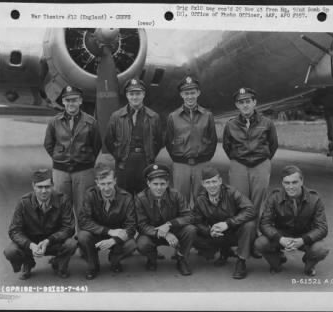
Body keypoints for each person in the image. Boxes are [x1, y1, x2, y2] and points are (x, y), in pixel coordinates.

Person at [222, 87, 278, 255]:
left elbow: (273, 144)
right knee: (240, 203)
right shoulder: (231, 124)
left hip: (260, 164)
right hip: (239, 164)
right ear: (236, 105)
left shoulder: (267, 123)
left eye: (248, 102)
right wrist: (237, 159)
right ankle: (241, 240)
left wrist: (264, 159)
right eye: (241, 102)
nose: (245, 105)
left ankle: (254, 242)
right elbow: (227, 146)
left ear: (254, 103)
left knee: (257, 202)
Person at [254, 165, 329, 276]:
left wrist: (303, 240)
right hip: (282, 235)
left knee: (321, 249)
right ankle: (278, 259)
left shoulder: (315, 199)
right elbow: (264, 223)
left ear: (302, 181)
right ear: (282, 183)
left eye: (294, 182)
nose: (291, 187)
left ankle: (309, 263)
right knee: (260, 243)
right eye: (287, 183)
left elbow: (322, 228)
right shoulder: (274, 197)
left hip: (305, 235)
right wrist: (280, 239)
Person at [3, 169, 77, 280]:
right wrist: (30, 245)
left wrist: (49, 241)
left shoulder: (63, 200)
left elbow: (69, 228)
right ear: (33, 186)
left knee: (71, 243)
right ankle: (27, 262)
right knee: (10, 251)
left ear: (52, 185)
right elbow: (14, 231)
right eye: (40, 187)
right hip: (31, 243)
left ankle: (59, 263)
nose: (43, 191)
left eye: (47, 187)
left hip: (53, 242)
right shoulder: (23, 202)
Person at [44, 85, 102, 219]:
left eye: (74, 100)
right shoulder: (54, 122)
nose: (71, 104)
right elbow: (48, 143)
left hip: (83, 171)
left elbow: (96, 144)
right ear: (63, 102)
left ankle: (82, 237)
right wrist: (59, 158)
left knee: (83, 207)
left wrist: (86, 160)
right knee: (61, 206)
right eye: (68, 100)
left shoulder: (91, 122)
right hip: (61, 171)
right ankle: (64, 238)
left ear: (80, 101)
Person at [193, 166, 257, 279]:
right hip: (217, 234)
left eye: (214, 181)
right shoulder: (200, 199)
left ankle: (241, 261)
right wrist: (209, 231)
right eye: (208, 182)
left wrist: (228, 223)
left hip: (235, 231)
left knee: (250, 225)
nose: (212, 185)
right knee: (191, 232)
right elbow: (196, 222)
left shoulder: (231, 192)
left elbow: (251, 209)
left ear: (220, 181)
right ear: (203, 184)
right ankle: (224, 251)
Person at [105, 78, 163, 195]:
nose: (135, 97)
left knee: (145, 197)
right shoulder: (116, 117)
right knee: (123, 198)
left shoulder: (153, 117)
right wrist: (119, 155)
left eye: (138, 94)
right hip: (124, 163)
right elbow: (109, 140)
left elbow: (159, 141)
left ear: (143, 94)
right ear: (127, 95)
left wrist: (150, 156)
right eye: (131, 94)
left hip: (145, 161)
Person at [135, 164, 196, 276]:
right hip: (152, 233)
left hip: (174, 231)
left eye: (162, 184)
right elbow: (141, 225)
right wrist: (164, 234)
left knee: (190, 230)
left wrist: (169, 224)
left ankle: (181, 259)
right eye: (155, 184)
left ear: (167, 183)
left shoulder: (176, 194)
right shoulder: (140, 198)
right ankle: (152, 258)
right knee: (142, 243)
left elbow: (189, 216)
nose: (159, 188)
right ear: (148, 184)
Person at [77, 165, 137, 280]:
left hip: (117, 236)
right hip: (97, 234)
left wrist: (114, 240)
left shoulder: (126, 197)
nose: (106, 188)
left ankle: (115, 260)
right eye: (102, 184)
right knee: (83, 236)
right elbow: (83, 221)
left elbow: (131, 226)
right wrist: (108, 231)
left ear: (115, 181)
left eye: (109, 183)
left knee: (131, 244)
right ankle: (93, 265)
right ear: (97, 183)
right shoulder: (90, 195)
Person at [165, 75, 217, 205]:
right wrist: (178, 158)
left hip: (201, 163)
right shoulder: (173, 117)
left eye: (192, 93)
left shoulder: (207, 115)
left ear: (198, 93)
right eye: (186, 93)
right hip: (181, 164)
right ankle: (183, 225)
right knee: (181, 200)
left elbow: (213, 140)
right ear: (181, 94)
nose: (190, 97)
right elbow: (168, 141)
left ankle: (200, 225)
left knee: (202, 200)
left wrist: (205, 158)